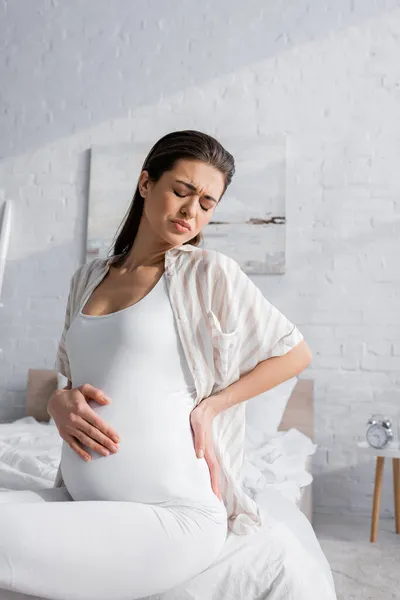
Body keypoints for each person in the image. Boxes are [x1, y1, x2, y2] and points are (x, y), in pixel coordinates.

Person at [0, 130, 312, 600]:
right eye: (182, 192)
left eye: (207, 203)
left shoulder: (207, 273)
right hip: (78, 498)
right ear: (146, 183)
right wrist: (59, 401)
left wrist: (210, 407)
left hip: (172, 516)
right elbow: (71, 379)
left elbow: (295, 353)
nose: (191, 212)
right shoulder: (87, 277)